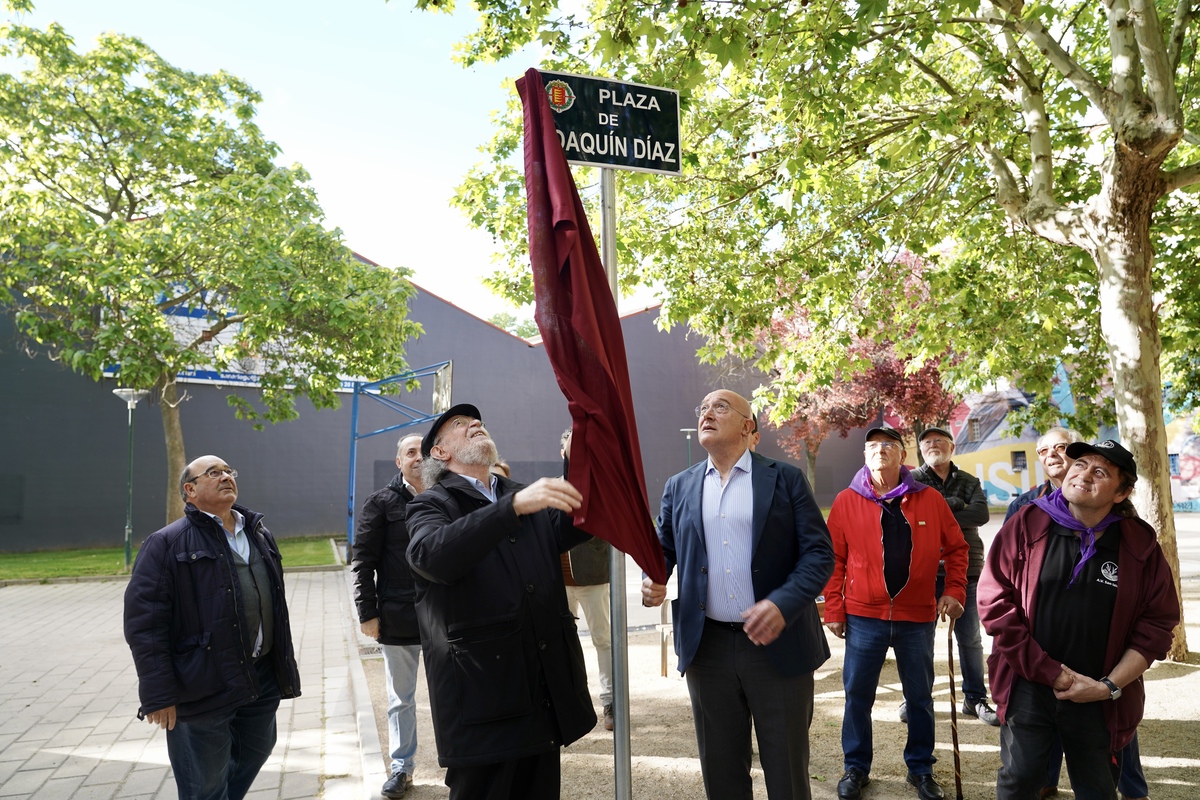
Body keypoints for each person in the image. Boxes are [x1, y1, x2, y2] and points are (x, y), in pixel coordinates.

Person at [641, 389, 834, 800]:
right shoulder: (680, 486)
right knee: (721, 771)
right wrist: (652, 576)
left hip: (777, 647)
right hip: (706, 648)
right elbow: (664, 549)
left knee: (786, 772)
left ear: (749, 428)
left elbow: (819, 554)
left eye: (720, 407)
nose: (707, 412)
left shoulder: (785, 479)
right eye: (703, 407)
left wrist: (782, 603)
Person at [405, 404, 596, 800]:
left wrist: (578, 459)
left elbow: (582, 519)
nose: (475, 423)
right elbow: (432, 556)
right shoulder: (431, 504)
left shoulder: (519, 493)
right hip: (485, 702)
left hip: (541, 694)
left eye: (477, 420)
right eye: (459, 424)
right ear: (440, 453)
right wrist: (510, 509)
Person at [978, 440, 1179, 800]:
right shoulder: (1028, 522)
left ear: (1122, 493)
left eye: (1100, 472)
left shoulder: (1140, 543)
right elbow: (995, 603)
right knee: (1020, 781)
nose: (1083, 474)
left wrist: (1107, 686)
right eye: (1081, 463)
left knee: (1098, 787)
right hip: (1029, 683)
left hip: (1099, 693)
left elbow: (1157, 625)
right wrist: (1050, 672)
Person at [124, 455, 301, 800]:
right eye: (213, 473)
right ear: (190, 490)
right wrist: (158, 692)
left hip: (260, 676)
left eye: (229, 471)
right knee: (203, 781)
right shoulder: (166, 543)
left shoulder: (259, 532)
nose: (225, 477)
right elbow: (145, 623)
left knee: (256, 750)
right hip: (202, 680)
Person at [824, 425, 969, 800]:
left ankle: (921, 770)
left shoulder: (930, 499)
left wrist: (954, 591)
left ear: (903, 456)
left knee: (919, 697)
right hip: (863, 617)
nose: (879, 451)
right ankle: (856, 767)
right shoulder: (846, 500)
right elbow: (833, 561)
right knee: (858, 695)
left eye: (888, 446)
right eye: (872, 446)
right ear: (864, 456)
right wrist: (834, 609)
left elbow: (957, 548)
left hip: (916, 617)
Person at [351, 433, 426, 798]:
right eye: (410, 452)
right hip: (398, 615)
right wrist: (368, 612)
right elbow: (363, 561)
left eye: (423, 452)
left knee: (455, 693)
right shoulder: (380, 502)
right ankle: (402, 767)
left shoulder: (446, 496)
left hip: (446, 616)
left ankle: (462, 759)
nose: (418, 457)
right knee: (401, 698)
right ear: (399, 462)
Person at [908, 426, 999, 726]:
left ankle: (975, 699)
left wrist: (938, 513)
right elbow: (913, 518)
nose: (933, 445)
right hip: (923, 570)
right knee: (920, 639)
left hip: (968, 568)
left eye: (939, 441)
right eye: (927, 442)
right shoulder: (912, 481)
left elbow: (981, 515)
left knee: (970, 639)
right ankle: (917, 700)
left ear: (952, 447)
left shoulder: (969, 480)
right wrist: (958, 506)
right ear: (921, 451)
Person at [559, 427, 615, 731]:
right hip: (558, 583)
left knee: (603, 640)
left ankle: (610, 700)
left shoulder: (602, 487)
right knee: (562, 643)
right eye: (570, 442)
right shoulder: (552, 487)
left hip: (593, 578)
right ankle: (567, 703)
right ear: (563, 452)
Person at [1005, 427, 1081, 522]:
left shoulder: (1098, 498)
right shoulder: (1022, 506)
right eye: (1044, 450)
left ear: (1079, 454)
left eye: (1060, 447)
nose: (1051, 453)